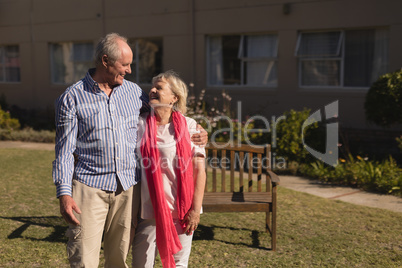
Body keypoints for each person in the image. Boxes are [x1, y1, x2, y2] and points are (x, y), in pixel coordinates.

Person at [52, 33, 207, 268]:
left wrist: (199, 130)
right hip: (89, 187)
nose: (130, 70)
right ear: (105, 61)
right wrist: (64, 194)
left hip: (127, 190)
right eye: (124, 65)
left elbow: (167, 114)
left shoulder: (134, 93)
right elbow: (64, 151)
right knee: (83, 257)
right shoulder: (72, 98)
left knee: (118, 258)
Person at [132, 70, 206, 268]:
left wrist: (195, 211)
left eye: (160, 87)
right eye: (152, 86)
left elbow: (200, 173)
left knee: (179, 264)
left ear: (174, 97)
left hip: (181, 213)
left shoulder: (191, 127)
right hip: (148, 212)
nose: (153, 90)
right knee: (141, 264)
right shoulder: (139, 124)